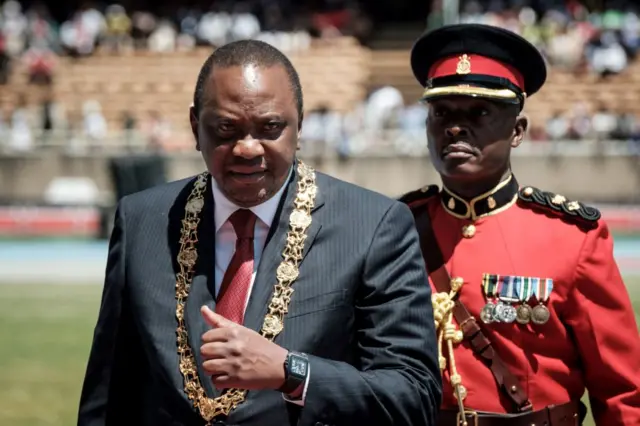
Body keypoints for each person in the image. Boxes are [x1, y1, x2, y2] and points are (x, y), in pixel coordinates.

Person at [77, 40, 442, 426]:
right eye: (225, 128)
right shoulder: (143, 220)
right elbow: (109, 395)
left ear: (299, 125)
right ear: (193, 126)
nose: (247, 148)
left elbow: (413, 396)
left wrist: (291, 371)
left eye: (270, 127)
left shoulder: (373, 225)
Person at [400, 23, 640, 426]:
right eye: (442, 112)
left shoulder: (571, 238)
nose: (455, 127)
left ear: (517, 131)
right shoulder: (396, 229)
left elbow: (623, 394)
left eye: (479, 112)